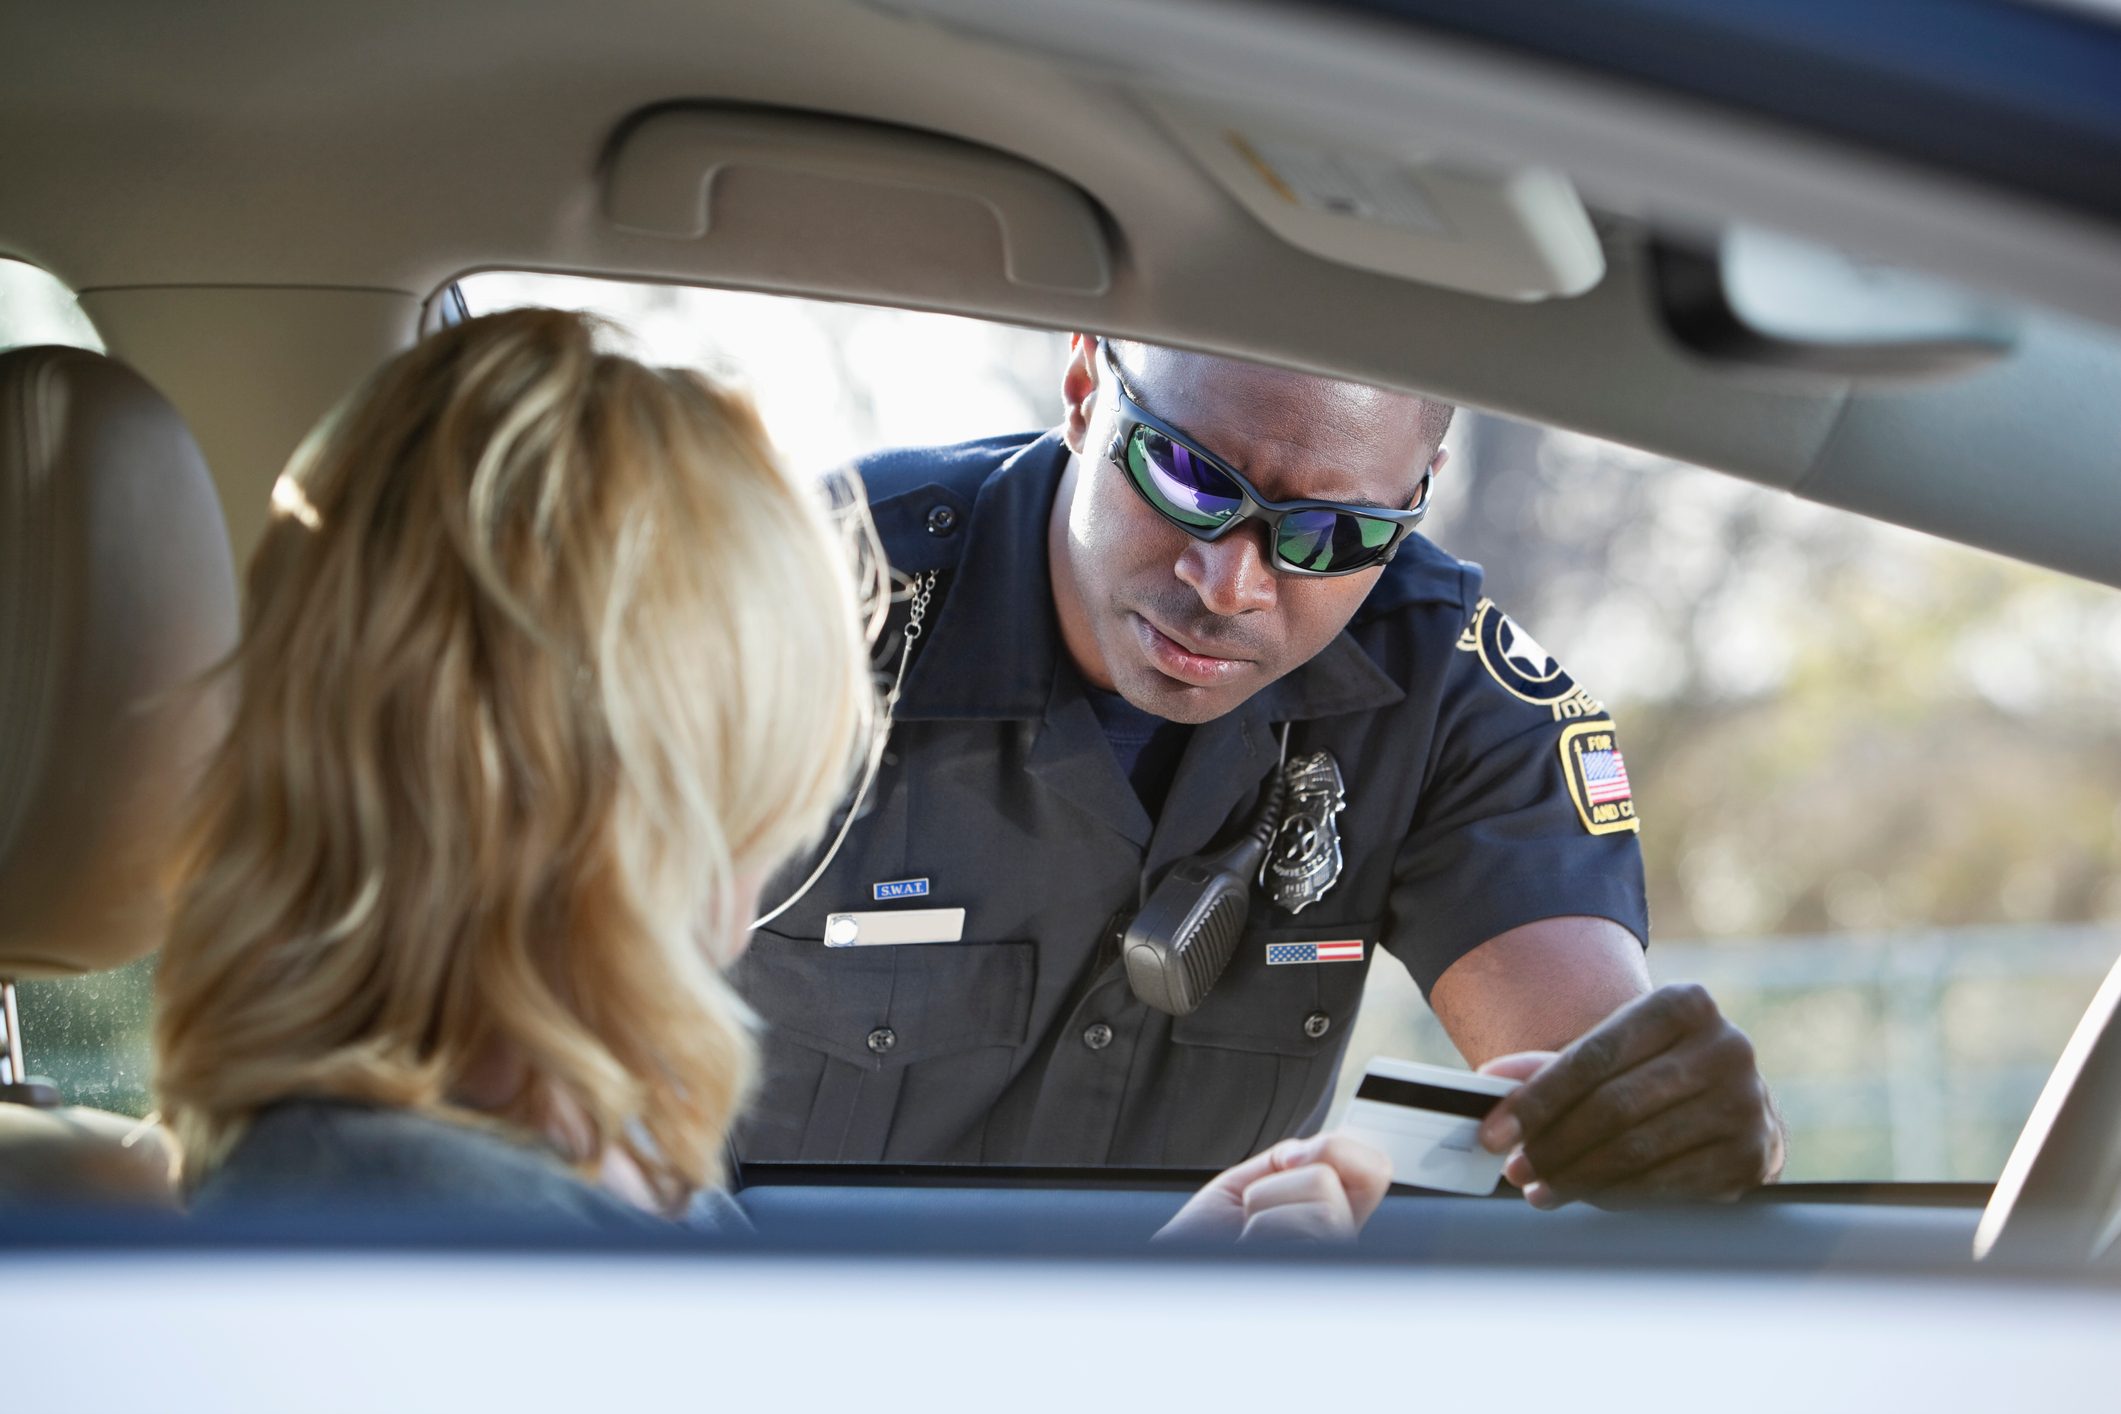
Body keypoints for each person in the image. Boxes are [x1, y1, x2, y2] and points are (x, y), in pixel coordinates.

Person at [149, 308, 1388, 1241]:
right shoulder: (454, 1232)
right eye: (766, 789)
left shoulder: (516, 1165)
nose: (759, 888)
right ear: (632, 802)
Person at [733, 335, 1783, 1208]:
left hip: (1198, 1352)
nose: (1229, 583)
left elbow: (1590, 1076)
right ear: (1085, 386)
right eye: (1186, 477)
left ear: (1418, 493)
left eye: (1331, 534)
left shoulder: (1445, 691)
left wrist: (1674, 1123)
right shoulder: (791, 602)